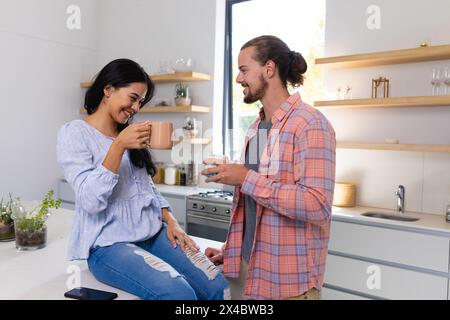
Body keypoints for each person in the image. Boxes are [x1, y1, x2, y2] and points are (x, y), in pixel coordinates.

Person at [56, 58, 230, 300]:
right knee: (179, 294)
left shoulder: (128, 134)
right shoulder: (75, 133)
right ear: (108, 90)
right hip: (108, 245)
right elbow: (90, 201)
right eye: (133, 97)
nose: (136, 108)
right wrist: (118, 146)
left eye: (141, 101)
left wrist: (171, 221)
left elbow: (146, 187)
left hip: (153, 233)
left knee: (218, 288)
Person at [202, 36, 336, 300]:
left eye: (243, 70)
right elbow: (253, 207)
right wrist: (232, 250)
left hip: (288, 284)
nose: (239, 79)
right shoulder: (257, 127)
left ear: (269, 69)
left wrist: (246, 177)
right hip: (250, 271)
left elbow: (317, 205)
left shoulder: (310, 124)